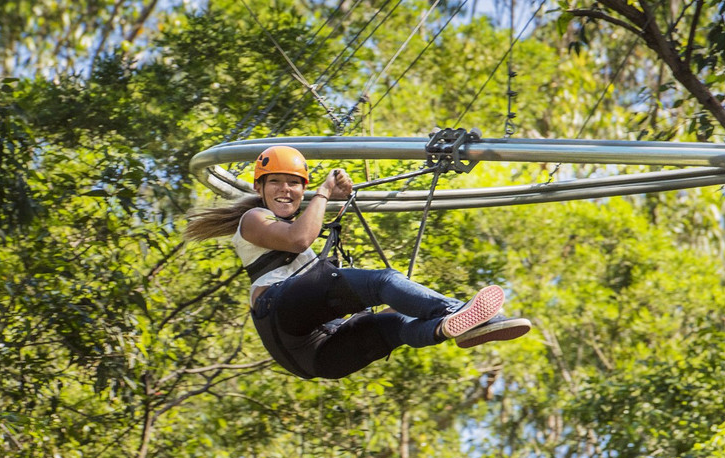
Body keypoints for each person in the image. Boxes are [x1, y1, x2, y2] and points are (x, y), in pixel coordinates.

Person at [185, 145, 531, 380]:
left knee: (397, 325)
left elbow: (302, 241)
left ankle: (445, 327)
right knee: (381, 282)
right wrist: (323, 192)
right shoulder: (254, 219)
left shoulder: (290, 219)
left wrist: (326, 196)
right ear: (260, 187)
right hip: (282, 315)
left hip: (320, 359)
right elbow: (299, 240)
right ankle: (463, 311)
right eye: (276, 182)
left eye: (294, 184)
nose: (286, 191)